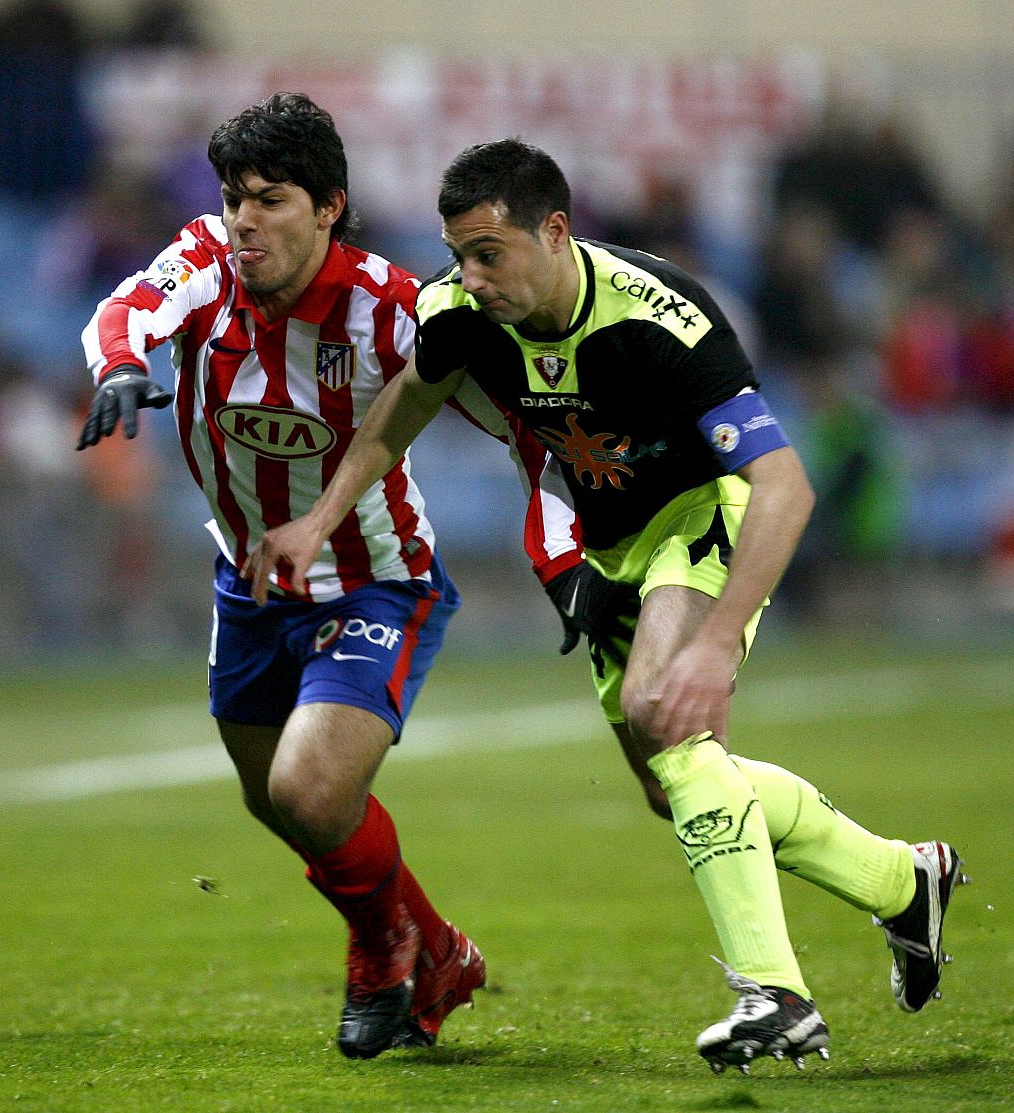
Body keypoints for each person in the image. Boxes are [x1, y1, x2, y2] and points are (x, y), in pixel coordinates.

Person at [244, 137, 968, 1073]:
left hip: (704, 513)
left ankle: (776, 996)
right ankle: (903, 880)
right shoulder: (460, 311)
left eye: (488, 253)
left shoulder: (662, 318)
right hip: (611, 546)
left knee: (663, 717)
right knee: (674, 785)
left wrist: (711, 646)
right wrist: (319, 518)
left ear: (555, 231)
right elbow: (402, 410)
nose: (470, 276)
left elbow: (785, 486)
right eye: (458, 253)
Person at [76, 95, 580, 1059]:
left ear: (329, 207)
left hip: (376, 580)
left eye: (271, 200)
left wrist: (563, 552)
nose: (246, 222)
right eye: (235, 199)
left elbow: (523, 423)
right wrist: (116, 366)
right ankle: (437, 949)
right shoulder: (206, 265)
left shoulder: (394, 308)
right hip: (250, 584)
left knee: (311, 792)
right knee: (273, 798)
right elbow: (130, 308)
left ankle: (380, 947)